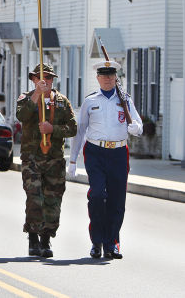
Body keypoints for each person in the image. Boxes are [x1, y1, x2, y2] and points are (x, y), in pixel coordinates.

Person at [69, 60, 142, 260]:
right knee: (97, 195)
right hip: (95, 152)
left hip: (118, 153)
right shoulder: (90, 101)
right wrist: (73, 160)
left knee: (117, 200)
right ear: (98, 78)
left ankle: (112, 243)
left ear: (115, 77)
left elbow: (138, 124)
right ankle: (97, 241)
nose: (108, 79)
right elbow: (80, 129)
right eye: (104, 75)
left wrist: (135, 128)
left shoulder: (125, 99)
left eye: (111, 75)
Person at [16, 63, 77, 258]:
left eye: (49, 78)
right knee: (34, 197)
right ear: (33, 80)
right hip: (32, 157)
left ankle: (46, 238)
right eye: (41, 78)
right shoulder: (26, 98)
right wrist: (36, 95)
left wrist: (54, 130)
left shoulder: (61, 101)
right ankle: (33, 236)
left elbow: (73, 128)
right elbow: (21, 115)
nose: (46, 81)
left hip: (54, 158)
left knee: (53, 199)